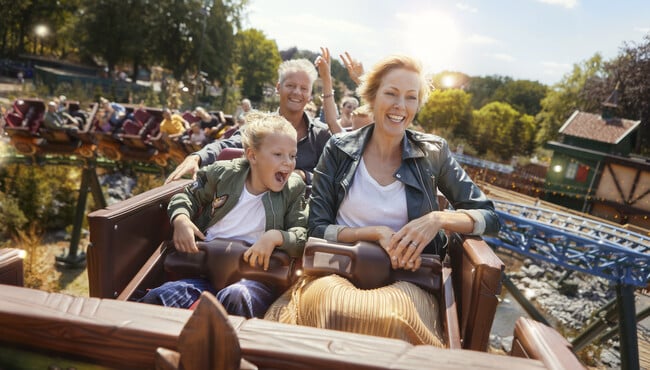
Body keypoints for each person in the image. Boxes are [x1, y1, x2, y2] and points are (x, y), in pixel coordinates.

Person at [264, 54, 500, 346]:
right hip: (338, 269)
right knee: (335, 309)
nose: (400, 106)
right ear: (372, 97)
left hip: (408, 279)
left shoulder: (434, 152)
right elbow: (316, 228)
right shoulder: (339, 148)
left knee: (392, 318)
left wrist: (437, 219)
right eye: (391, 93)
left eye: (411, 97)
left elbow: (489, 216)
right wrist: (374, 234)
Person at [139, 112, 308, 318]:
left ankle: (229, 347)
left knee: (235, 297)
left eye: (293, 155)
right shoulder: (223, 174)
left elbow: (302, 233)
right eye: (278, 154)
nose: (288, 163)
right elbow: (189, 197)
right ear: (252, 155)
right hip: (205, 270)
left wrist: (277, 237)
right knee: (161, 296)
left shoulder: (292, 189)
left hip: (256, 277)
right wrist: (181, 218)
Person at [166, 49, 343, 185]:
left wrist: (303, 175)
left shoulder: (320, 136)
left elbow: (330, 175)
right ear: (277, 88)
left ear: (310, 95)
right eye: (290, 85)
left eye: (304, 88)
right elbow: (227, 144)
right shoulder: (259, 126)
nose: (297, 92)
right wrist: (197, 157)